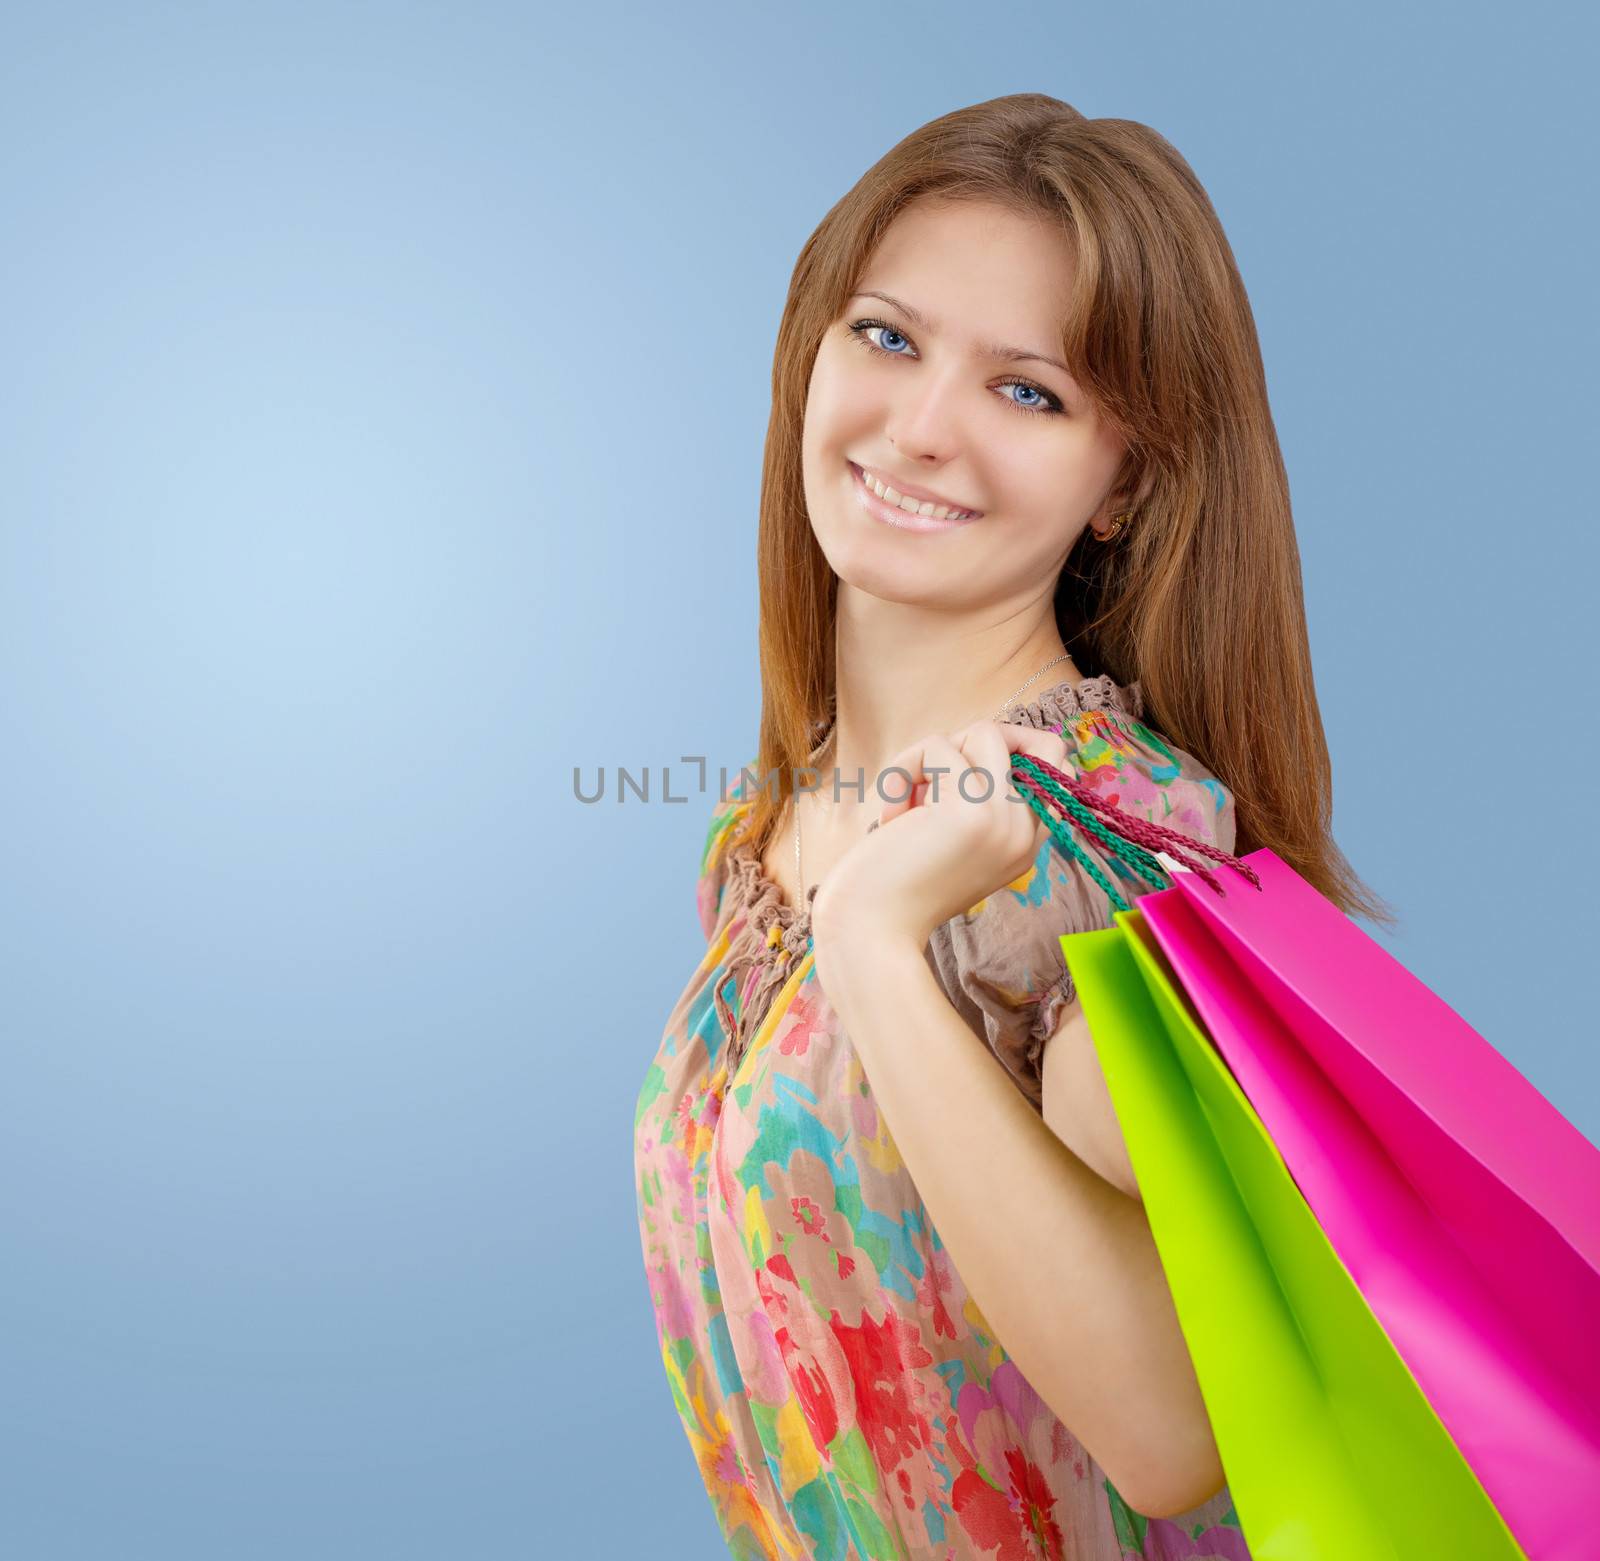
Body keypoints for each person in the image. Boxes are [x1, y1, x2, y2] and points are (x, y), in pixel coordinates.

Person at [634, 92, 1392, 1560]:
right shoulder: (768, 832)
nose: (920, 429)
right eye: (889, 336)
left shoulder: (1107, 854)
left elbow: (1174, 1427)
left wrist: (873, 940)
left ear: (1126, 482)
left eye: (1028, 391)